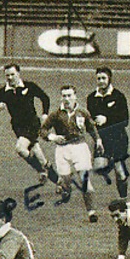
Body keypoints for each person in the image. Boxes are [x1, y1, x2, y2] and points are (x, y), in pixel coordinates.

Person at [42, 85, 104, 221]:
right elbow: (43, 130)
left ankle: (92, 212)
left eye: (69, 95)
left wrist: (98, 140)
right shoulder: (56, 114)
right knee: (66, 180)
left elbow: (91, 128)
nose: (66, 99)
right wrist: (53, 137)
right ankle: (65, 187)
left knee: (85, 180)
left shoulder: (82, 112)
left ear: (75, 96)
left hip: (79, 147)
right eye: (64, 96)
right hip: (62, 150)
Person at [0, 63, 55, 183]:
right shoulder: (3, 92)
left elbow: (44, 97)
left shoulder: (29, 86)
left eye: (12, 74)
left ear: (18, 74)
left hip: (32, 123)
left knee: (20, 148)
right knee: (40, 156)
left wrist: (45, 113)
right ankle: (59, 181)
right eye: (7, 75)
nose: (10, 78)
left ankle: (40, 170)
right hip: (18, 127)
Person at [87, 67, 130, 198]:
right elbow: (90, 121)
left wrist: (107, 119)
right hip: (102, 139)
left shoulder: (118, 96)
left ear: (109, 79)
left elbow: (125, 120)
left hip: (118, 138)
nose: (101, 81)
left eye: (103, 78)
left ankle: (123, 199)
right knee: (99, 168)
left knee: (120, 173)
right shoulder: (91, 98)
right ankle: (113, 162)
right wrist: (96, 137)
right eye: (98, 78)